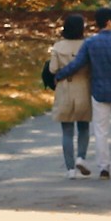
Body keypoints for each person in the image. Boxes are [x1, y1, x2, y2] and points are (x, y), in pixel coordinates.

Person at [53, 7, 111, 178]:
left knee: (100, 130)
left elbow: (78, 64)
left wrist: (60, 75)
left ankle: (104, 167)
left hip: (99, 92)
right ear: (108, 22)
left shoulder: (90, 43)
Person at [44, 12, 93, 179]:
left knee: (67, 130)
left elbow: (52, 69)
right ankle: (81, 157)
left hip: (64, 88)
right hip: (83, 87)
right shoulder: (87, 45)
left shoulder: (58, 47)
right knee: (84, 126)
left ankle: (70, 169)